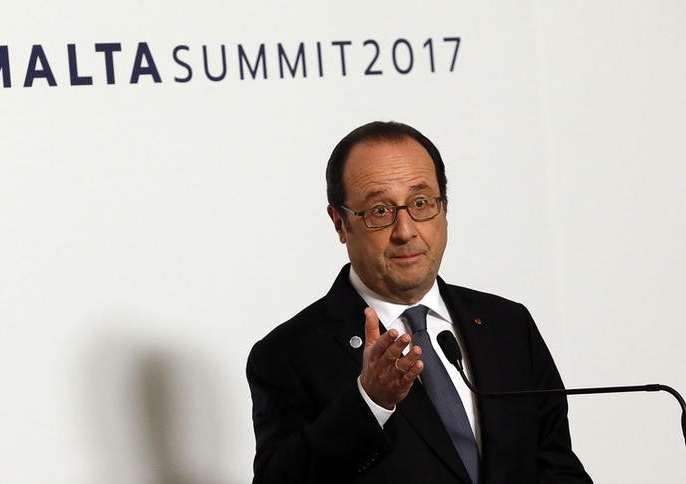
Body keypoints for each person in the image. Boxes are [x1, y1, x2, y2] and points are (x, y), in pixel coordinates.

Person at [246, 121, 592, 484]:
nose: (406, 231)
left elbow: (556, 466)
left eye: (421, 203)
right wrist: (370, 402)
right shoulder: (287, 355)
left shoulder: (507, 325)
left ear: (444, 208)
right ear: (340, 223)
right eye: (379, 211)